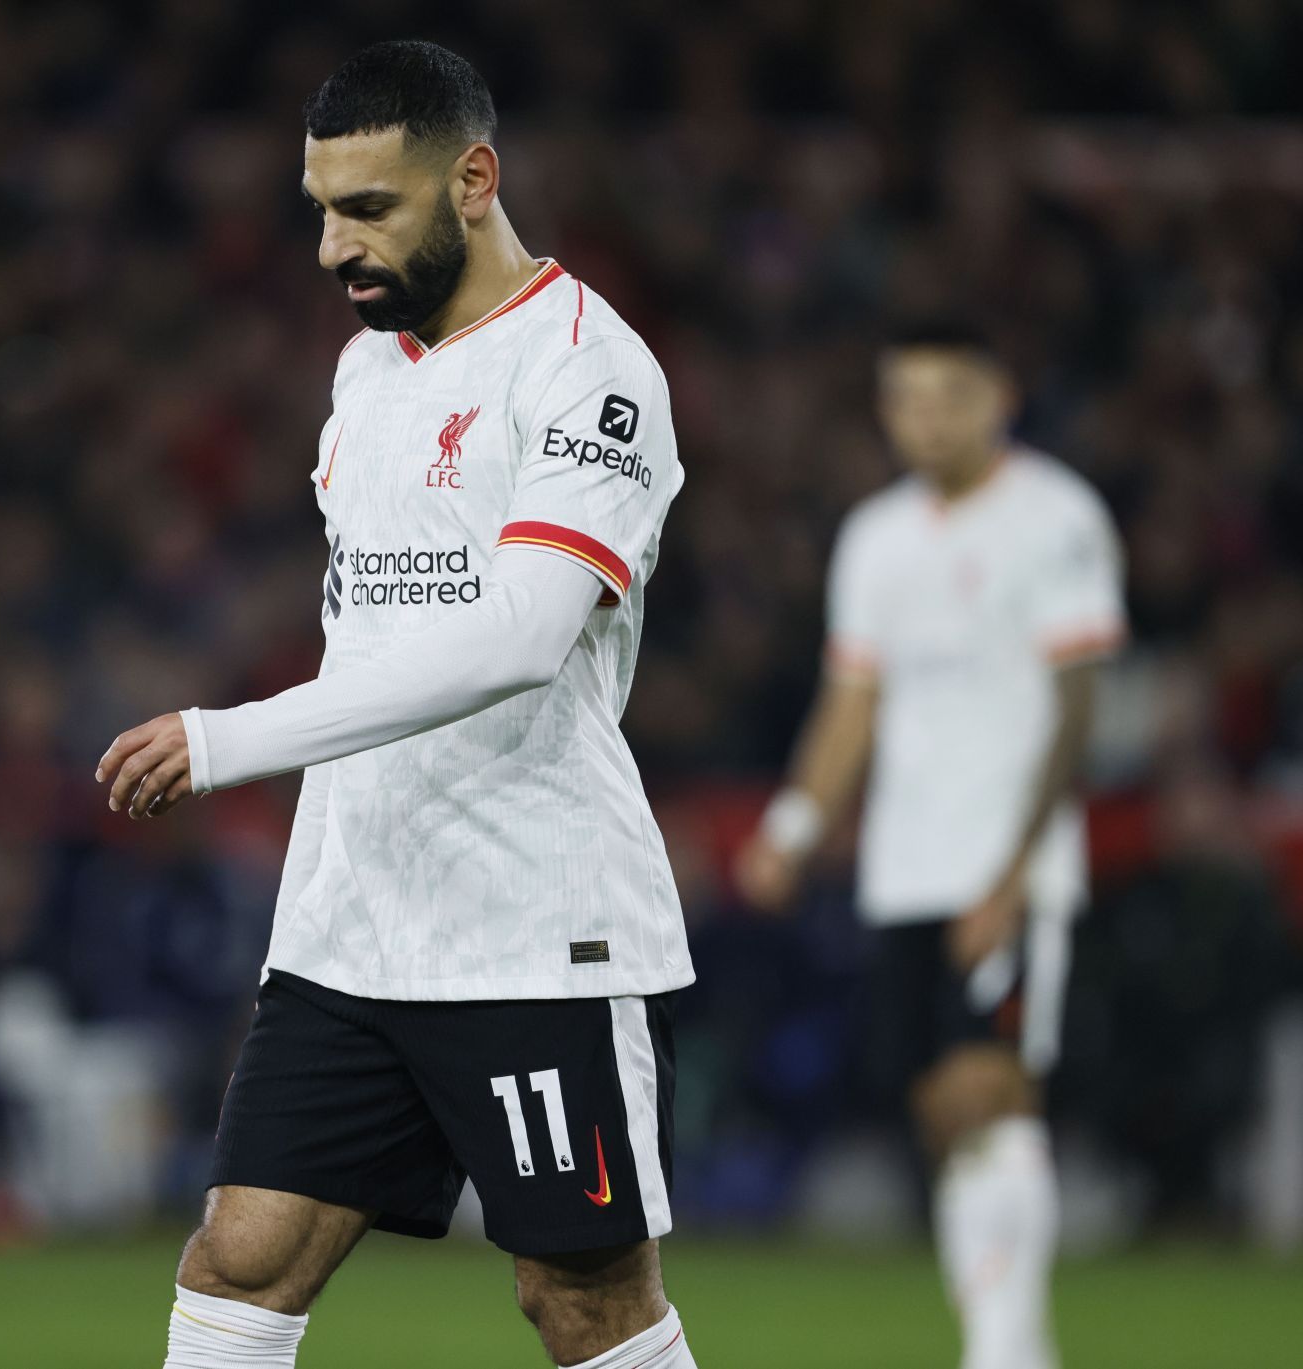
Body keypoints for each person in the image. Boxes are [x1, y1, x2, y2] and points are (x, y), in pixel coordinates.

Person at [96, 40, 699, 1369]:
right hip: (353, 920)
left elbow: (517, 641)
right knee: (240, 1257)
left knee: (582, 1300)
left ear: (474, 179)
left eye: (368, 207)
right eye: (319, 206)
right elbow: (376, 630)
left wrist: (227, 740)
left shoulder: (590, 373)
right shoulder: (368, 373)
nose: (330, 246)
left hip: (531, 925)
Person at [736, 321, 1127, 1369]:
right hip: (904, 867)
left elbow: (1075, 710)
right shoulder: (876, 537)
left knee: (988, 1090)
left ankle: (1001, 1350)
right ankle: (1012, 1344)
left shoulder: (1056, 518)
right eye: (906, 397)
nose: (928, 417)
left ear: (999, 394)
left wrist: (1013, 871)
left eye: (949, 393)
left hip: (1007, 863)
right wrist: (795, 824)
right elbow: (851, 703)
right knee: (940, 1113)